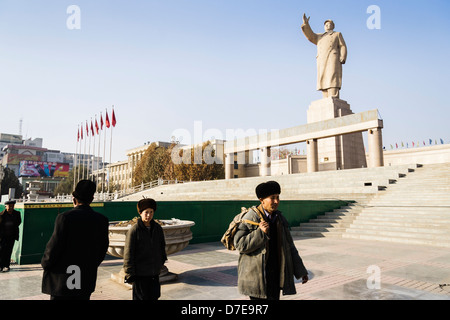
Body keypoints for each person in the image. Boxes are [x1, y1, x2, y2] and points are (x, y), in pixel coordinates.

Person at [234, 181, 308, 300]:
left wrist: (301, 271)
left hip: (276, 275)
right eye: (272, 198)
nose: (276, 202)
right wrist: (260, 233)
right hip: (257, 278)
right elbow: (240, 245)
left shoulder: (279, 218)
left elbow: (290, 246)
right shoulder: (250, 218)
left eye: (278, 197)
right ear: (261, 200)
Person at [41, 180, 109, 300]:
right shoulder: (101, 220)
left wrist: (46, 264)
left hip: (62, 280)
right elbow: (102, 250)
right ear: (92, 199)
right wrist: (90, 266)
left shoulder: (64, 218)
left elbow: (54, 247)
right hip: (85, 279)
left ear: (74, 199)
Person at [123, 198, 167, 300]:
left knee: (154, 297)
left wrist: (161, 262)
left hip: (154, 275)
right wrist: (130, 274)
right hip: (140, 275)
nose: (149, 215)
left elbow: (161, 247)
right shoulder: (134, 230)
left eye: (151, 212)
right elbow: (128, 254)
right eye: (146, 212)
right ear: (140, 213)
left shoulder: (157, 228)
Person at [301, 13, 347, 98]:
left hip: (333, 57)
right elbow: (310, 36)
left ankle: (333, 95)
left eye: (329, 24)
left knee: (333, 75)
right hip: (322, 59)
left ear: (333, 26)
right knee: (323, 77)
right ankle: (325, 96)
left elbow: (343, 46)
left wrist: (343, 56)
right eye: (326, 24)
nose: (327, 25)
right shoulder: (319, 36)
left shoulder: (337, 34)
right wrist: (306, 24)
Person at [0, 200, 22, 272]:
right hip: (2, 237)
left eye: (12, 206)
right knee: (1, 251)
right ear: (5, 206)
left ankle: (6, 265)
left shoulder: (17, 213)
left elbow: (19, 222)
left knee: (9, 251)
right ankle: (1, 266)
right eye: (9, 206)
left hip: (12, 236)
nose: (11, 207)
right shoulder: (1, 215)